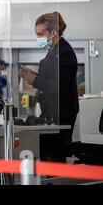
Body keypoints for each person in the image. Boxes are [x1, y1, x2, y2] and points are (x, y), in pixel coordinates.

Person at [19, 12, 79, 162]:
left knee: (54, 158)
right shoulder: (52, 51)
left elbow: (60, 85)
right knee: (46, 156)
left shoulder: (64, 52)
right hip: (50, 113)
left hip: (61, 115)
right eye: (36, 34)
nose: (38, 38)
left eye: (40, 34)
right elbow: (48, 79)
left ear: (53, 32)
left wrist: (36, 80)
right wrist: (32, 76)